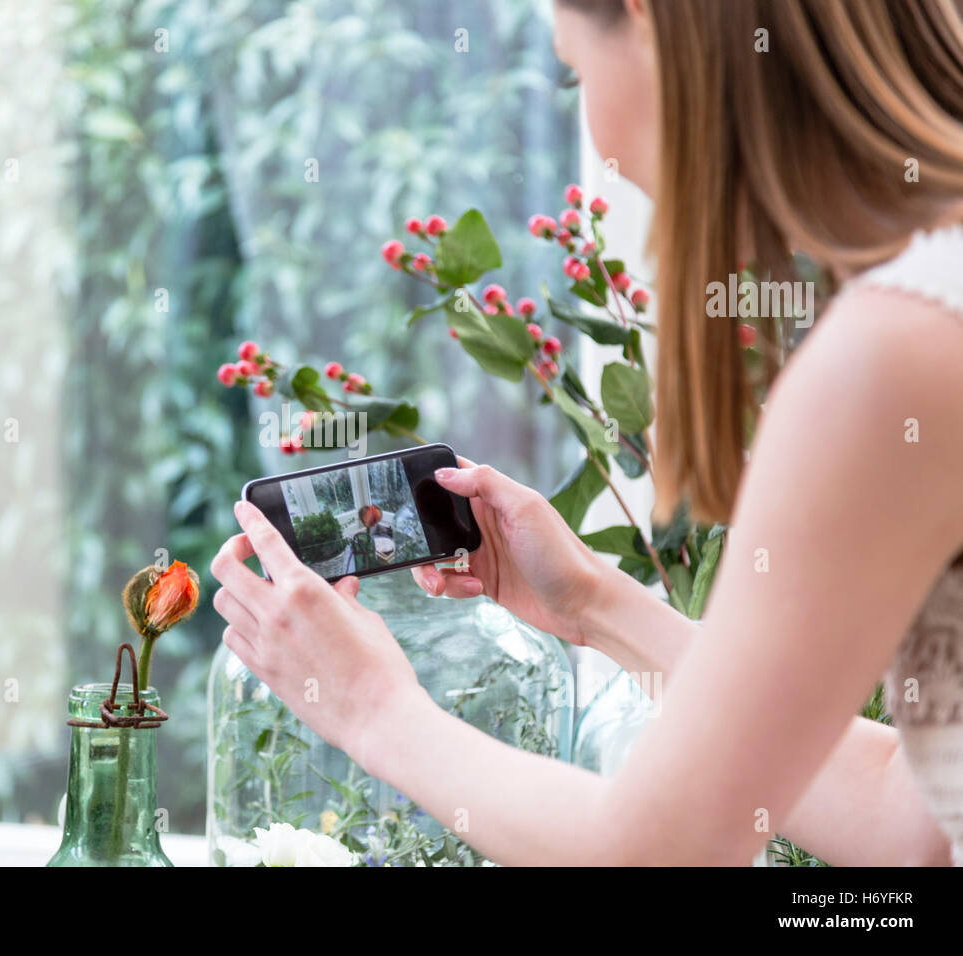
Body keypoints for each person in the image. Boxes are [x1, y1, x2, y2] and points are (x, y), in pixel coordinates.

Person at [209, 0, 963, 865]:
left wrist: (373, 709)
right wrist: (594, 606)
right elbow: (913, 817)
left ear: (651, 24)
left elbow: (655, 851)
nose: (597, 140)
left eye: (574, 71)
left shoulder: (892, 352)